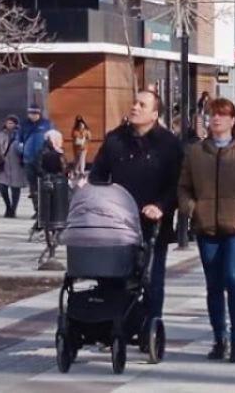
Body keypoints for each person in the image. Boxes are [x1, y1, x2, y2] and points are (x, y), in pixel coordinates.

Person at [177, 97, 235, 363]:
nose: (215, 119)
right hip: (207, 228)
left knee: (234, 279)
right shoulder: (196, 153)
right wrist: (191, 208)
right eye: (212, 115)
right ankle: (220, 338)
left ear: (232, 120)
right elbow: (183, 187)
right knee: (214, 285)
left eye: (221, 115)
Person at [90, 90, 183, 325]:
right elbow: (98, 175)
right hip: (117, 223)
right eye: (134, 103)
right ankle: (115, 324)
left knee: (151, 278)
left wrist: (161, 206)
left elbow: (178, 184)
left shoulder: (168, 144)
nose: (135, 107)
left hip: (152, 224)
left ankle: (150, 326)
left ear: (154, 114)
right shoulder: (115, 139)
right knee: (113, 277)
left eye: (142, 105)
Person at [19, 106, 54, 220]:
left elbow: (53, 139)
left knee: (44, 185)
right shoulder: (24, 125)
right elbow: (19, 141)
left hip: (43, 160)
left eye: (35, 114)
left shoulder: (47, 124)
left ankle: (46, 210)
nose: (33, 116)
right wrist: (22, 152)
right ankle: (37, 210)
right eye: (31, 113)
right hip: (29, 160)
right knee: (33, 187)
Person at [0, 115, 27, 218]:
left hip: (17, 164)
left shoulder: (21, 135)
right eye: (8, 123)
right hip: (3, 164)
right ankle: (8, 205)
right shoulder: (1, 135)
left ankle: (13, 209)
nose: (9, 125)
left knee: (15, 188)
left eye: (12, 123)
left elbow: (24, 148)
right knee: (1, 185)